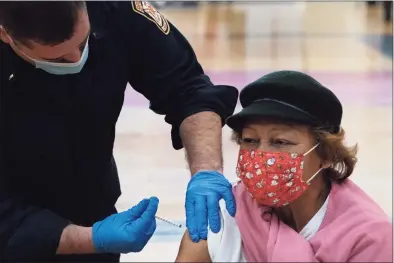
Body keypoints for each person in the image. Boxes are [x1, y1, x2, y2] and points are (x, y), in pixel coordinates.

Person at [0, 1, 238, 261]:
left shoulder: (112, 7)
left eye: (84, 43)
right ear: (4, 34)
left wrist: (206, 172)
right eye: (56, 58)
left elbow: (188, 88)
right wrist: (92, 239)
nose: (76, 60)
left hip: (92, 202)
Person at [175, 70, 393, 262]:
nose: (261, 155)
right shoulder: (224, 213)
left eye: (280, 142)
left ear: (326, 154)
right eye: (250, 140)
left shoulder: (367, 237)